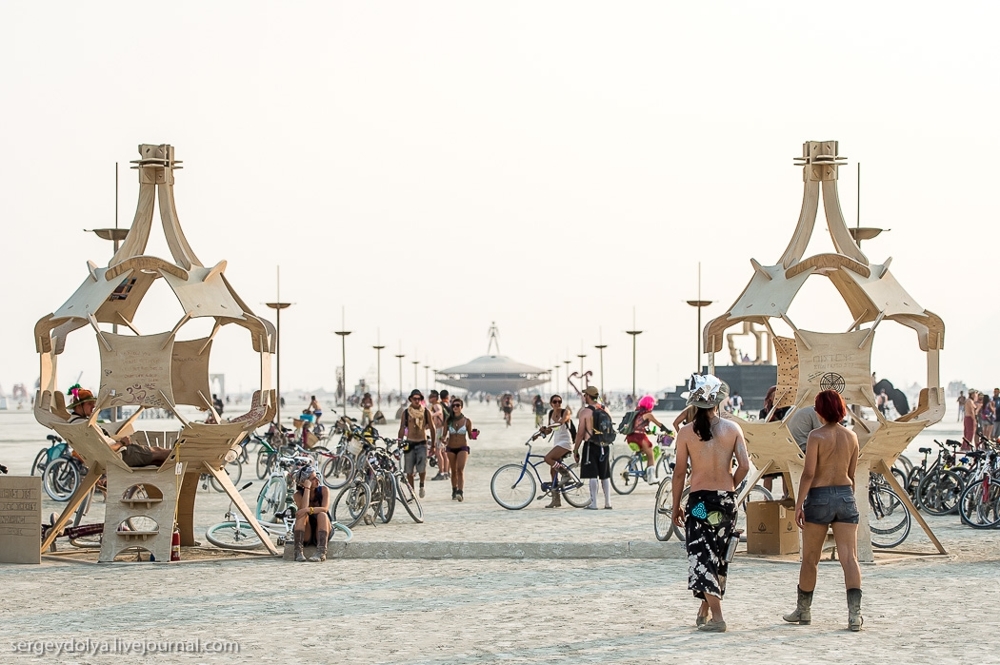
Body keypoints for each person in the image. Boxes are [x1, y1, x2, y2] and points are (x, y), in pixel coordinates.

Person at [671, 375, 750, 633]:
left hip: (699, 503)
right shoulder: (732, 429)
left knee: (701, 554)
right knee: (718, 554)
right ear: (718, 401)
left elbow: (680, 473)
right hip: (726, 502)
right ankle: (705, 610)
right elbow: (745, 466)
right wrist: (730, 485)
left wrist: (675, 506)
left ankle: (717, 618)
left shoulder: (685, 433)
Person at [784, 390, 863, 631]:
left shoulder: (815, 436)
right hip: (845, 496)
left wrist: (799, 504)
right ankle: (854, 615)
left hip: (819, 497)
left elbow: (809, 473)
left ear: (819, 411)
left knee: (810, 558)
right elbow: (851, 474)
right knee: (849, 558)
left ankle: (804, 610)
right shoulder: (852, 436)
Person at [67, 387, 171, 467]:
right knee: (163, 453)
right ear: (79, 406)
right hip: (121, 455)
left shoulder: (74, 424)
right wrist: (122, 443)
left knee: (158, 458)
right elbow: (104, 449)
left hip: (113, 457)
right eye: (89, 404)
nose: (93, 406)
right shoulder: (85, 427)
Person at [573, 386, 612, 510]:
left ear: (589, 396)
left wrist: (576, 449)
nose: (584, 397)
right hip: (605, 445)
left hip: (591, 445)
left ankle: (594, 503)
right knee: (605, 475)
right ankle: (608, 503)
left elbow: (580, 432)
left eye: (585, 395)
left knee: (592, 475)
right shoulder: (606, 409)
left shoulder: (585, 412)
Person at [398, 389, 436, 498]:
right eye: (415, 399)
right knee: (409, 470)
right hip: (409, 443)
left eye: (419, 399)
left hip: (422, 443)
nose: (417, 401)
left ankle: (421, 485)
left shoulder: (425, 412)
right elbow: (402, 428)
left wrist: (433, 445)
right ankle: (412, 492)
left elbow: (432, 428)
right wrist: (399, 443)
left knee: (422, 468)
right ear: (410, 399)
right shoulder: (406, 413)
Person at [291, 465, 332, 562]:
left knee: (322, 514)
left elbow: (324, 509)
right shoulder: (297, 495)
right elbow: (303, 509)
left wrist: (307, 510)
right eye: (313, 479)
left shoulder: (324, 490)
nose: (317, 479)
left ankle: (321, 552)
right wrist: (307, 489)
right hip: (307, 532)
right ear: (304, 482)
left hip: (323, 528)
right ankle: (298, 552)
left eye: (316, 476)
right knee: (302, 515)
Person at [540, 394, 574, 508]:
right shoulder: (550, 413)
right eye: (555, 402)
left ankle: (566, 474)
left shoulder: (566, 412)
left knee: (547, 458)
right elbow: (549, 431)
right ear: (551, 404)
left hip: (566, 443)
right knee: (553, 472)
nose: (557, 404)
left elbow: (562, 422)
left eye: (559, 401)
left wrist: (551, 426)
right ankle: (556, 500)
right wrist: (543, 431)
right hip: (557, 443)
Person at [626, 394, 668, 483]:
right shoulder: (648, 414)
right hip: (639, 438)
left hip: (630, 437)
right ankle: (651, 478)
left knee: (643, 453)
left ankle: (637, 466)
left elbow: (639, 426)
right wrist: (668, 431)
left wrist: (650, 432)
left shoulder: (637, 411)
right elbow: (659, 425)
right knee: (651, 454)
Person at [444, 398, 473, 501]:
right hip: (451, 448)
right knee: (453, 471)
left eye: (457, 405)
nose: (455, 407)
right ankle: (454, 490)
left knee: (460, 470)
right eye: (453, 406)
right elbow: (443, 435)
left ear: (461, 407)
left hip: (462, 447)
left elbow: (470, 436)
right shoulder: (448, 420)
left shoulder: (467, 421)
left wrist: (474, 434)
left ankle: (460, 492)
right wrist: (442, 440)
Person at [427, 391, 448, 482]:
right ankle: (446, 472)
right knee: (443, 452)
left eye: (431, 397)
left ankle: (441, 473)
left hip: (440, 430)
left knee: (438, 452)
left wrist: (431, 414)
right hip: (441, 429)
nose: (429, 398)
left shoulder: (436, 405)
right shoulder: (436, 405)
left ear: (435, 398)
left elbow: (439, 412)